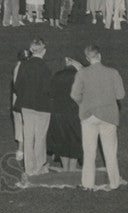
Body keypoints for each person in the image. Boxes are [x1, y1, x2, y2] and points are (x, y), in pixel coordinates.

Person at [70, 44, 126, 191]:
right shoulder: (113, 72)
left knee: (89, 151)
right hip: (108, 115)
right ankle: (114, 183)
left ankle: (87, 184)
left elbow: (74, 95)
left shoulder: (82, 73)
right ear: (99, 56)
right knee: (110, 151)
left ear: (87, 59)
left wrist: (83, 104)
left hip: (88, 115)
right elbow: (121, 95)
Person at [14, 39, 53, 177]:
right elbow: (49, 88)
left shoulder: (24, 65)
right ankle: (39, 167)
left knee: (28, 136)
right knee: (40, 137)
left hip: (27, 105)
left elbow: (17, 86)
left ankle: (29, 168)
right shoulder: (46, 67)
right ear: (44, 51)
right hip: (43, 106)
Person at [47, 57, 84, 171]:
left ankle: (65, 168)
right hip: (74, 112)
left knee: (61, 139)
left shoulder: (57, 75)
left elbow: (50, 93)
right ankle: (72, 169)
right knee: (75, 140)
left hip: (57, 112)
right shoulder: (80, 76)